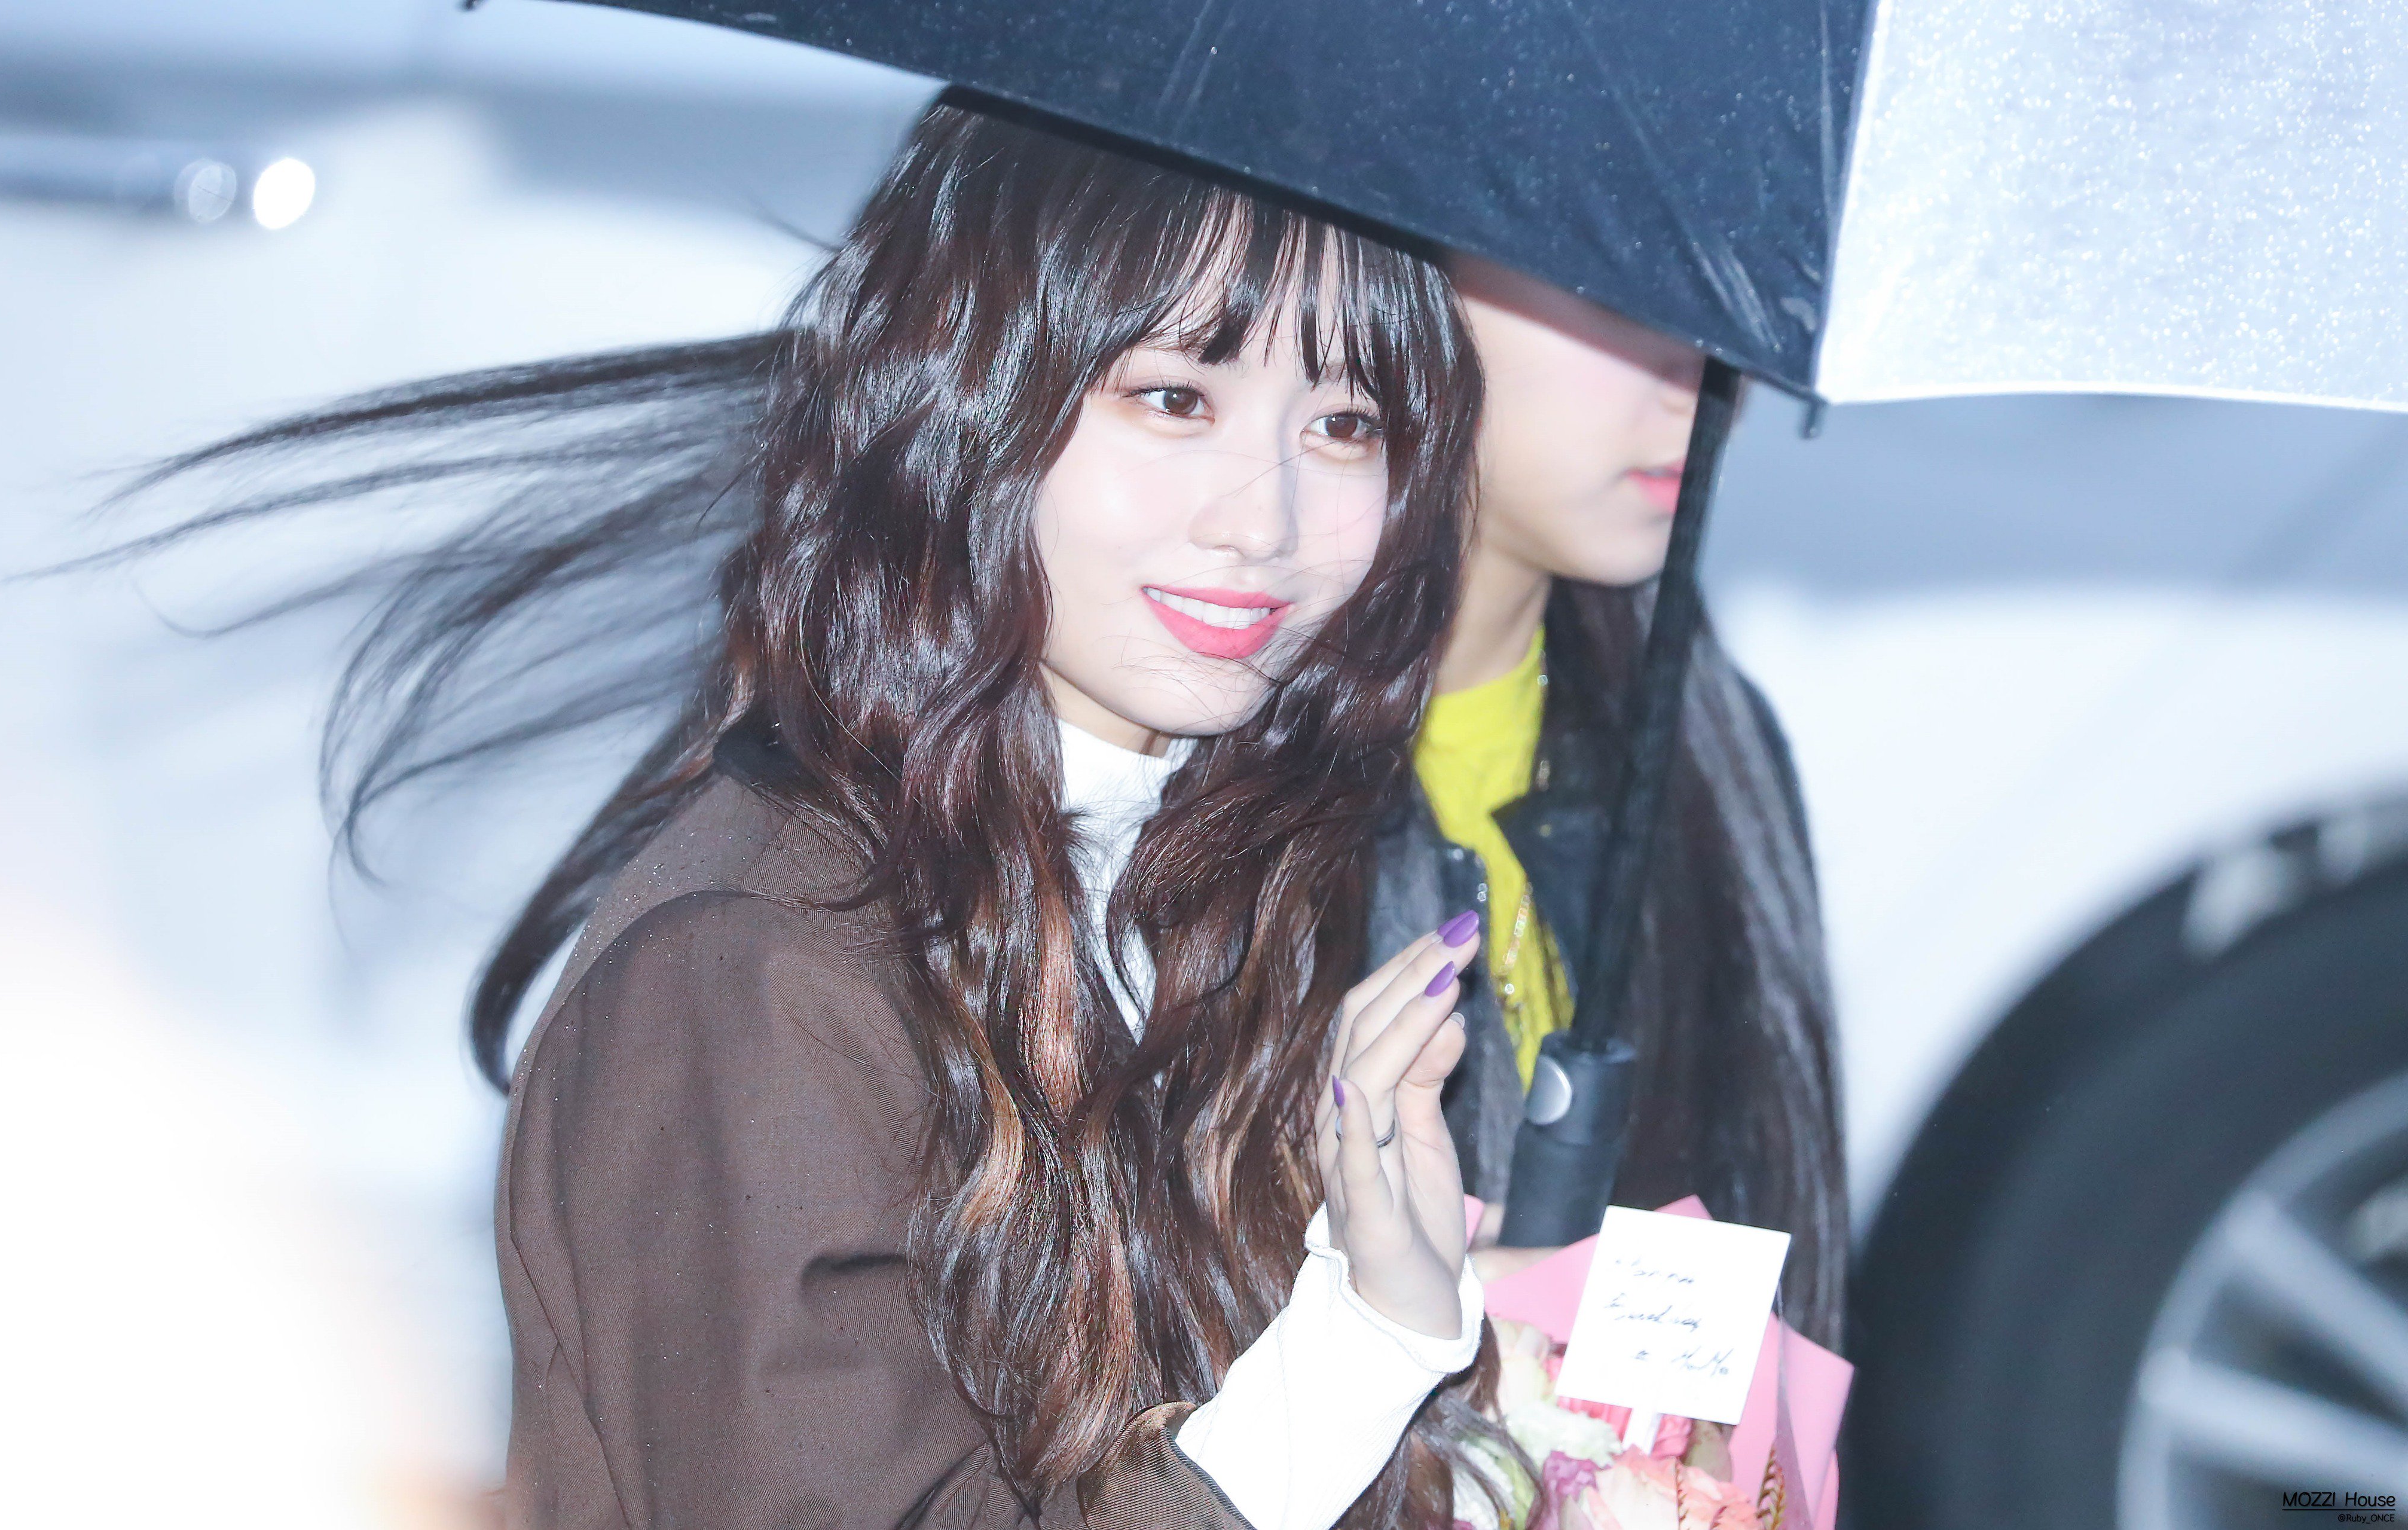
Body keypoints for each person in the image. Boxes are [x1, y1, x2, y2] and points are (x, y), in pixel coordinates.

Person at [133, 102, 1533, 1530]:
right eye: (1173, 399)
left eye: (1345, 425)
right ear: (967, 395)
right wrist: (1357, 1346)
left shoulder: (1207, 884)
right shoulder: (746, 969)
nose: (1266, 520)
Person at [1372, 258, 1848, 1346]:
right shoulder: (1214, 762)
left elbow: (1778, 1266)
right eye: (1617, 293)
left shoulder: (1706, 742)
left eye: (1721, 303)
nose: (1702, 378)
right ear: (1406, 272)